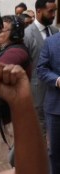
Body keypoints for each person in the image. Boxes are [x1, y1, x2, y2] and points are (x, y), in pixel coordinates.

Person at [0, 16, 31, 174]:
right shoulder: (3, 48)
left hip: (2, 118)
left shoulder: (16, 51)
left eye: (2, 29)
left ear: (15, 33)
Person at [24, 0, 58, 128]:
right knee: (38, 129)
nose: (53, 15)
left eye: (55, 11)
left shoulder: (55, 32)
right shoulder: (27, 34)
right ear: (39, 11)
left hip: (54, 93)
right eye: (50, 11)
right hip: (36, 93)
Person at [37, 20, 60, 174]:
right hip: (55, 104)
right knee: (56, 148)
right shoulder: (51, 43)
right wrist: (57, 80)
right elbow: (41, 69)